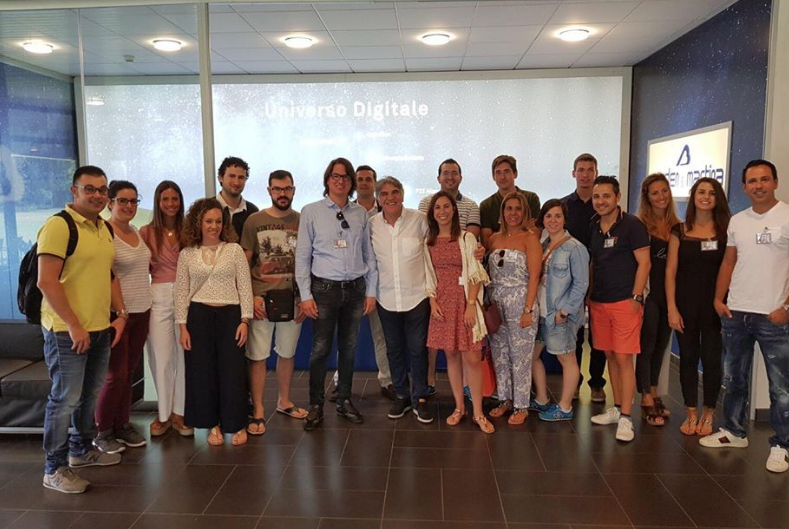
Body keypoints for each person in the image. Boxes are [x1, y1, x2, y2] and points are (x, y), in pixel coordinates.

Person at [38, 165, 126, 494]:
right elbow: (46, 281)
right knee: (65, 400)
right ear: (74, 191)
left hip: (100, 327)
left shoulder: (104, 227)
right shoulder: (59, 225)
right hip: (66, 331)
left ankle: (81, 451)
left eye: (102, 190)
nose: (98, 195)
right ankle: (53, 468)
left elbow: (109, 274)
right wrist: (75, 325)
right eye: (90, 189)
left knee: (89, 396)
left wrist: (121, 314)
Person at [701, 160, 789, 474]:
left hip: (774, 315)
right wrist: (718, 298)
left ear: (775, 182)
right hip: (737, 312)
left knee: (781, 387)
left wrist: (787, 307)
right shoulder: (738, 221)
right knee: (734, 378)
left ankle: (782, 445)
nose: (758, 186)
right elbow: (729, 262)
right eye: (752, 181)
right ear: (744, 187)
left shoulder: (787, 216)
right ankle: (734, 431)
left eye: (764, 179)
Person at [295, 157, 378, 431]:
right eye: (335, 176)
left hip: (355, 289)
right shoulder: (311, 211)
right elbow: (302, 257)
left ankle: (343, 400)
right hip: (324, 291)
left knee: (349, 349)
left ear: (351, 182)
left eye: (345, 177)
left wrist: (371, 291)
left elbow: (368, 254)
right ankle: (316, 405)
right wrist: (305, 296)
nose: (340, 181)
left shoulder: (360, 214)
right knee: (320, 349)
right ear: (327, 180)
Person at [174, 198, 254, 447]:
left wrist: (245, 320)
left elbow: (245, 287)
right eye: (209, 221)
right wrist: (182, 326)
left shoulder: (234, 250)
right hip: (198, 317)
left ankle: (237, 423)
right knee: (202, 372)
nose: (214, 226)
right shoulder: (187, 254)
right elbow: (181, 291)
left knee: (233, 372)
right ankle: (213, 424)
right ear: (198, 223)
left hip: (230, 316)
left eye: (218, 221)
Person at [240, 170, 308, 435]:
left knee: (287, 353)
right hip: (261, 300)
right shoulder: (254, 221)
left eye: (287, 189)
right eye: (277, 189)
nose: (282, 194)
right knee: (257, 356)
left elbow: (308, 262)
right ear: (269, 191)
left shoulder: (302, 221)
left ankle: (284, 401)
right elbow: (243, 264)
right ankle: (258, 410)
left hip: (293, 300)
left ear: (294, 190)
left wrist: (304, 298)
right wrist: (250, 297)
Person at [424, 192, 493, 433]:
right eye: (437, 208)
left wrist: (471, 304)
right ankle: (459, 407)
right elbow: (428, 275)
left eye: (446, 206)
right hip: (442, 304)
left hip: (465, 302)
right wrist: (432, 301)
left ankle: (478, 412)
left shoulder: (466, 238)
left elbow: (475, 273)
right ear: (432, 213)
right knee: (451, 356)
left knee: (472, 359)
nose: (442, 211)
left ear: (454, 209)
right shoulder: (429, 242)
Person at [588, 175, 650, 443]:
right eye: (596, 196)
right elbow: (594, 263)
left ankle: (626, 417)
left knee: (624, 358)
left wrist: (636, 296)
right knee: (610, 355)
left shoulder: (632, 225)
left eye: (606, 196)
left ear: (617, 197)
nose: (601, 201)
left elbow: (645, 263)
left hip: (625, 302)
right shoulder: (594, 225)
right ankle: (615, 409)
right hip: (599, 302)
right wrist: (590, 296)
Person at [666, 177, 730, 436]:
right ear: (693, 196)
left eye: (711, 193)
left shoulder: (726, 231)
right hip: (685, 305)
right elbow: (670, 272)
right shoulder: (679, 230)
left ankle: (709, 413)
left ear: (718, 198)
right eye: (701, 192)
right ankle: (691, 411)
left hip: (715, 306)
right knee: (688, 358)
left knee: (713, 360)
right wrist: (672, 308)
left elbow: (731, 269)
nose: (706, 197)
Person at [327, 164, 394, 402]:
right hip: (351, 283)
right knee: (346, 338)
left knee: (381, 335)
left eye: (369, 179)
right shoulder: (346, 211)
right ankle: (340, 383)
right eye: (360, 179)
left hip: (380, 283)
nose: (364, 183)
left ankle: (387, 380)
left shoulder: (387, 211)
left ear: (374, 183)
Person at [94, 181, 152, 454]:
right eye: (123, 201)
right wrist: (120, 312)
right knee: (114, 375)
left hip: (142, 310)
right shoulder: (104, 232)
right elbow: (105, 275)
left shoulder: (136, 231)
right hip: (116, 315)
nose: (129, 206)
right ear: (110, 203)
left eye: (133, 201)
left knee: (129, 372)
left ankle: (122, 425)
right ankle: (102, 431)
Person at [370, 176, 433, 423]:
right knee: (394, 350)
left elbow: (436, 248)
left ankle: (420, 397)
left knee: (418, 350)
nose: (390, 197)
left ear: (403, 194)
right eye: (384, 194)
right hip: (386, 298)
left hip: (417, 297)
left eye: (395, 192)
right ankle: (401, 395)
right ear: (378, 199)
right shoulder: (372, 225)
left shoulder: (419, 220)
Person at [418, 158, 481, 395]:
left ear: (461, 177)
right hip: (440, 294)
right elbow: (427, 237)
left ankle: (469, 392)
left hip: (464, 293)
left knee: (468, 353)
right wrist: (433, 297)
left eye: (454, 173)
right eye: (445, 173)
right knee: (445, 348)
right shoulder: (425, 204)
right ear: (438, 177)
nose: (450, 177)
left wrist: (471, 301)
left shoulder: (471, 207)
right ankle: (432, 381)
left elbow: (469, 248)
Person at [140, 181, 193, 438]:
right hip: (158, 296)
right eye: (165, 199)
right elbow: (141, 269)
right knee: (161, 358)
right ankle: (163, 414)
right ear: (158, 202)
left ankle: (180, 413)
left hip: (187, 296)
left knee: (183, 357)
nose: (171, 204)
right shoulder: (146, 232)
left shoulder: (189, 231)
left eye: (175, 199)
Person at [531, 199, 589, 422]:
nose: (553, 220)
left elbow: (581, 284)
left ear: (565, 219)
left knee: (567, 359)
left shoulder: (575, 247)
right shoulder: (543, 245)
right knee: (532, 356)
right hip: (541, 313)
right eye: (548, 216)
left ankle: (565, 408)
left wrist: (564, 312)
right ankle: (542, 399)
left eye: (557, 216)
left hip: (560, 316)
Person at [486, 192, 541, 425]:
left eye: (518, 208)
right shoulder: (493, 239)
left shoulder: (530, 238)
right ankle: (505, 399)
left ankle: (521, 405)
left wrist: (528, 310)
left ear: (525, 212)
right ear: (503, 212)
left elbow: (535, 276)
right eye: (509, 208)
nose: (513, 213)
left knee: (520, 356)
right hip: (496, 304)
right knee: (499, 353)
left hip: (521, 302)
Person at [635, 173, 681, 427]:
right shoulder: (640, 226)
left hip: (670, 296)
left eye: (664, 191)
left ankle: (654, 391)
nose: (661, 196)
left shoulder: (678, 226)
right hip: (649, 295)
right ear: (647, 197)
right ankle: (645, 397)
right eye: (655, 193)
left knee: (661, 346)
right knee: (647, 346)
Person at [562, 153, 607, 402]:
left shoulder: (605, 206)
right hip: (571, 280)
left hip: (602, 276)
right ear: (573, 173)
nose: (585, 174)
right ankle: (575, 382)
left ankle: (597, 383)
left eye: (590, 170)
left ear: (596, 173)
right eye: (581, 170)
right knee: (575, 333)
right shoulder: (564, 206)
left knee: (598, 335)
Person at [480, 154, 540, 249]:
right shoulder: (486, 205)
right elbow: (487, 242)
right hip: (497, 254)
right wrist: (522, 228)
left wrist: (500, 233)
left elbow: (536, 233)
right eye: (498, 173)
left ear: (515, 174)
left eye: (506, 171)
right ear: (493, 177)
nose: (502, 177)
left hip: (526, 251)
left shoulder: (531, 199)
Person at [215, 156, 259, 238]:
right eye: (232, 176)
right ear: (220, 178)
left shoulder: (253, 211)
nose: (236, 182)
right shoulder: (205, 208)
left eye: (241, 177)